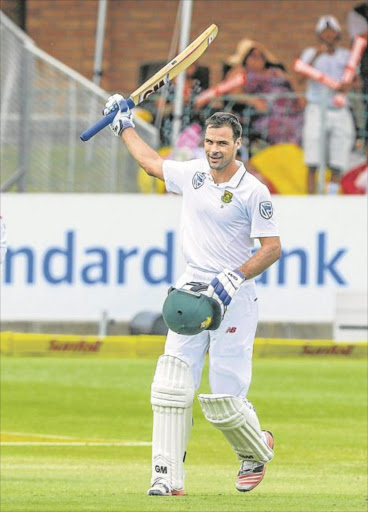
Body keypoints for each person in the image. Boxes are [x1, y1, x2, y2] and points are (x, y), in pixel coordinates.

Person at [102, 95, 281, 496]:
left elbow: (272, 248)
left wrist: (237, 275)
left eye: (222, 144)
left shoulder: (254, 191)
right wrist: (124, 125)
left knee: (223, 398)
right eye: (209, 143)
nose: (214, 151)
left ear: (238, 144)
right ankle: (166, 476)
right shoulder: (194, 174)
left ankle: (255, 450)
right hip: (192, 290)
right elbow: (151, 163)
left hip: (234, 295)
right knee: (171, 384)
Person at [297, 15, 356, 194]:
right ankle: (311, 195)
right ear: (319, 34)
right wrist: (317, 54)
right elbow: (300, 78)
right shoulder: (309, 53)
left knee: (340, 153)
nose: (328, 35)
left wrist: (349, 84)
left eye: (332, 32)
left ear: (337, 34)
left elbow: (356, 81)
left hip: (339, 107)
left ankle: (331, 196)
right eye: (325, 32)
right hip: (316, 107)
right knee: (313, 154)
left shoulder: (346, 55)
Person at [223, 39, 304, 148]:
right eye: (253, 55)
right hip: (264, 114)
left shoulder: (276, 71)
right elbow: (233, 93)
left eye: (261, 55)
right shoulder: (240, 71)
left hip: (290, 111)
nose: (258, 59)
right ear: (245, 58)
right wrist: (254, 101)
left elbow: (293, 86)